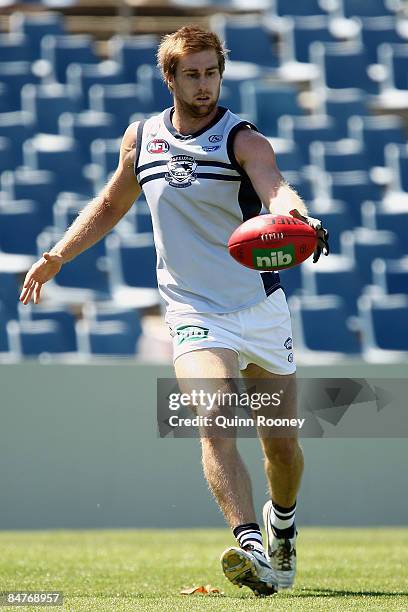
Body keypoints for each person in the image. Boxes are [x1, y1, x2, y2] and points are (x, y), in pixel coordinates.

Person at [20, 25, 329, 597]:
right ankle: (252, 547)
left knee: (280, 446)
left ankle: (281, 525)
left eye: (212, 72)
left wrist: (301, 219)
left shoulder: (244, 140)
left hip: (258, 307)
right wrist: (57, 255)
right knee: (213, 419)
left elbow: (276, 191)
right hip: (192, 309)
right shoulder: (141, 139)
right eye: (193, 73)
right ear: (170, 77)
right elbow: (112, 201)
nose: (205, 83)